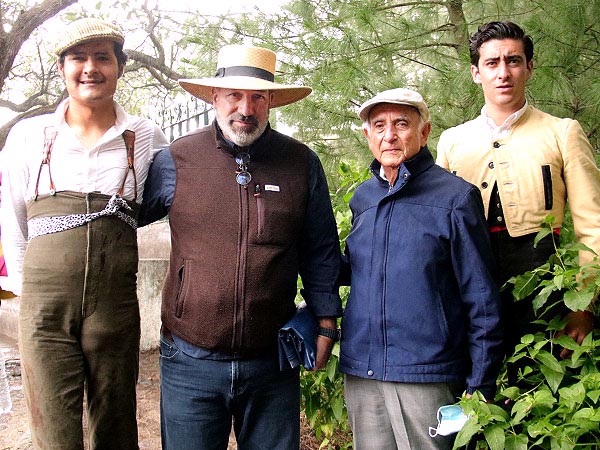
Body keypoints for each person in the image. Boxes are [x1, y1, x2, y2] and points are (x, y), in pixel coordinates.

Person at [139, 44, 343, 450]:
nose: (245, 108)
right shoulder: (176, 159)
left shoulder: (301, 163)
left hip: (271, 363)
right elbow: (123, 219)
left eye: (257, 97)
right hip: (188, 360)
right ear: (214, 97)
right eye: (234, 95)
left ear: (270, 102)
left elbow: (320, 250)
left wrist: (326, 320)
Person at [0, 18, 169, 449]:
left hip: (114, 304)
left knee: (115, 418)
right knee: (53, 425)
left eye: (102, 57)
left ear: (120, 66)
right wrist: (27, 292)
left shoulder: (146, 137)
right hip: (44, 307)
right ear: (61, 69)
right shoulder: (29, 135)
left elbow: (157, 206)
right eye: (78, 58)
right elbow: (13, 220)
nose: (90, 68)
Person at [338, 87, 503, 450]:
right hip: (363, 374)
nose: (389, 135)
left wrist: (479, 386)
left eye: (401, 124)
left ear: (424, 132)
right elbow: (356, 271)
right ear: (368, 136)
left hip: (427, 376)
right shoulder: (363, 199)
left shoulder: (456, 198)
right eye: (378, 125)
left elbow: (483, 300)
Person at [436, 21, 599, 362]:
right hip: (469, 280)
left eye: (513, 60)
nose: (503, 73)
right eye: (492, 63)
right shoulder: (453, 140)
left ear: (529, 67)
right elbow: (437, 229)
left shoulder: (562, 132)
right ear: (475, 72)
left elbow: (592, 225)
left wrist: (583, 305)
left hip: (543, 281)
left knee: (540, 378)